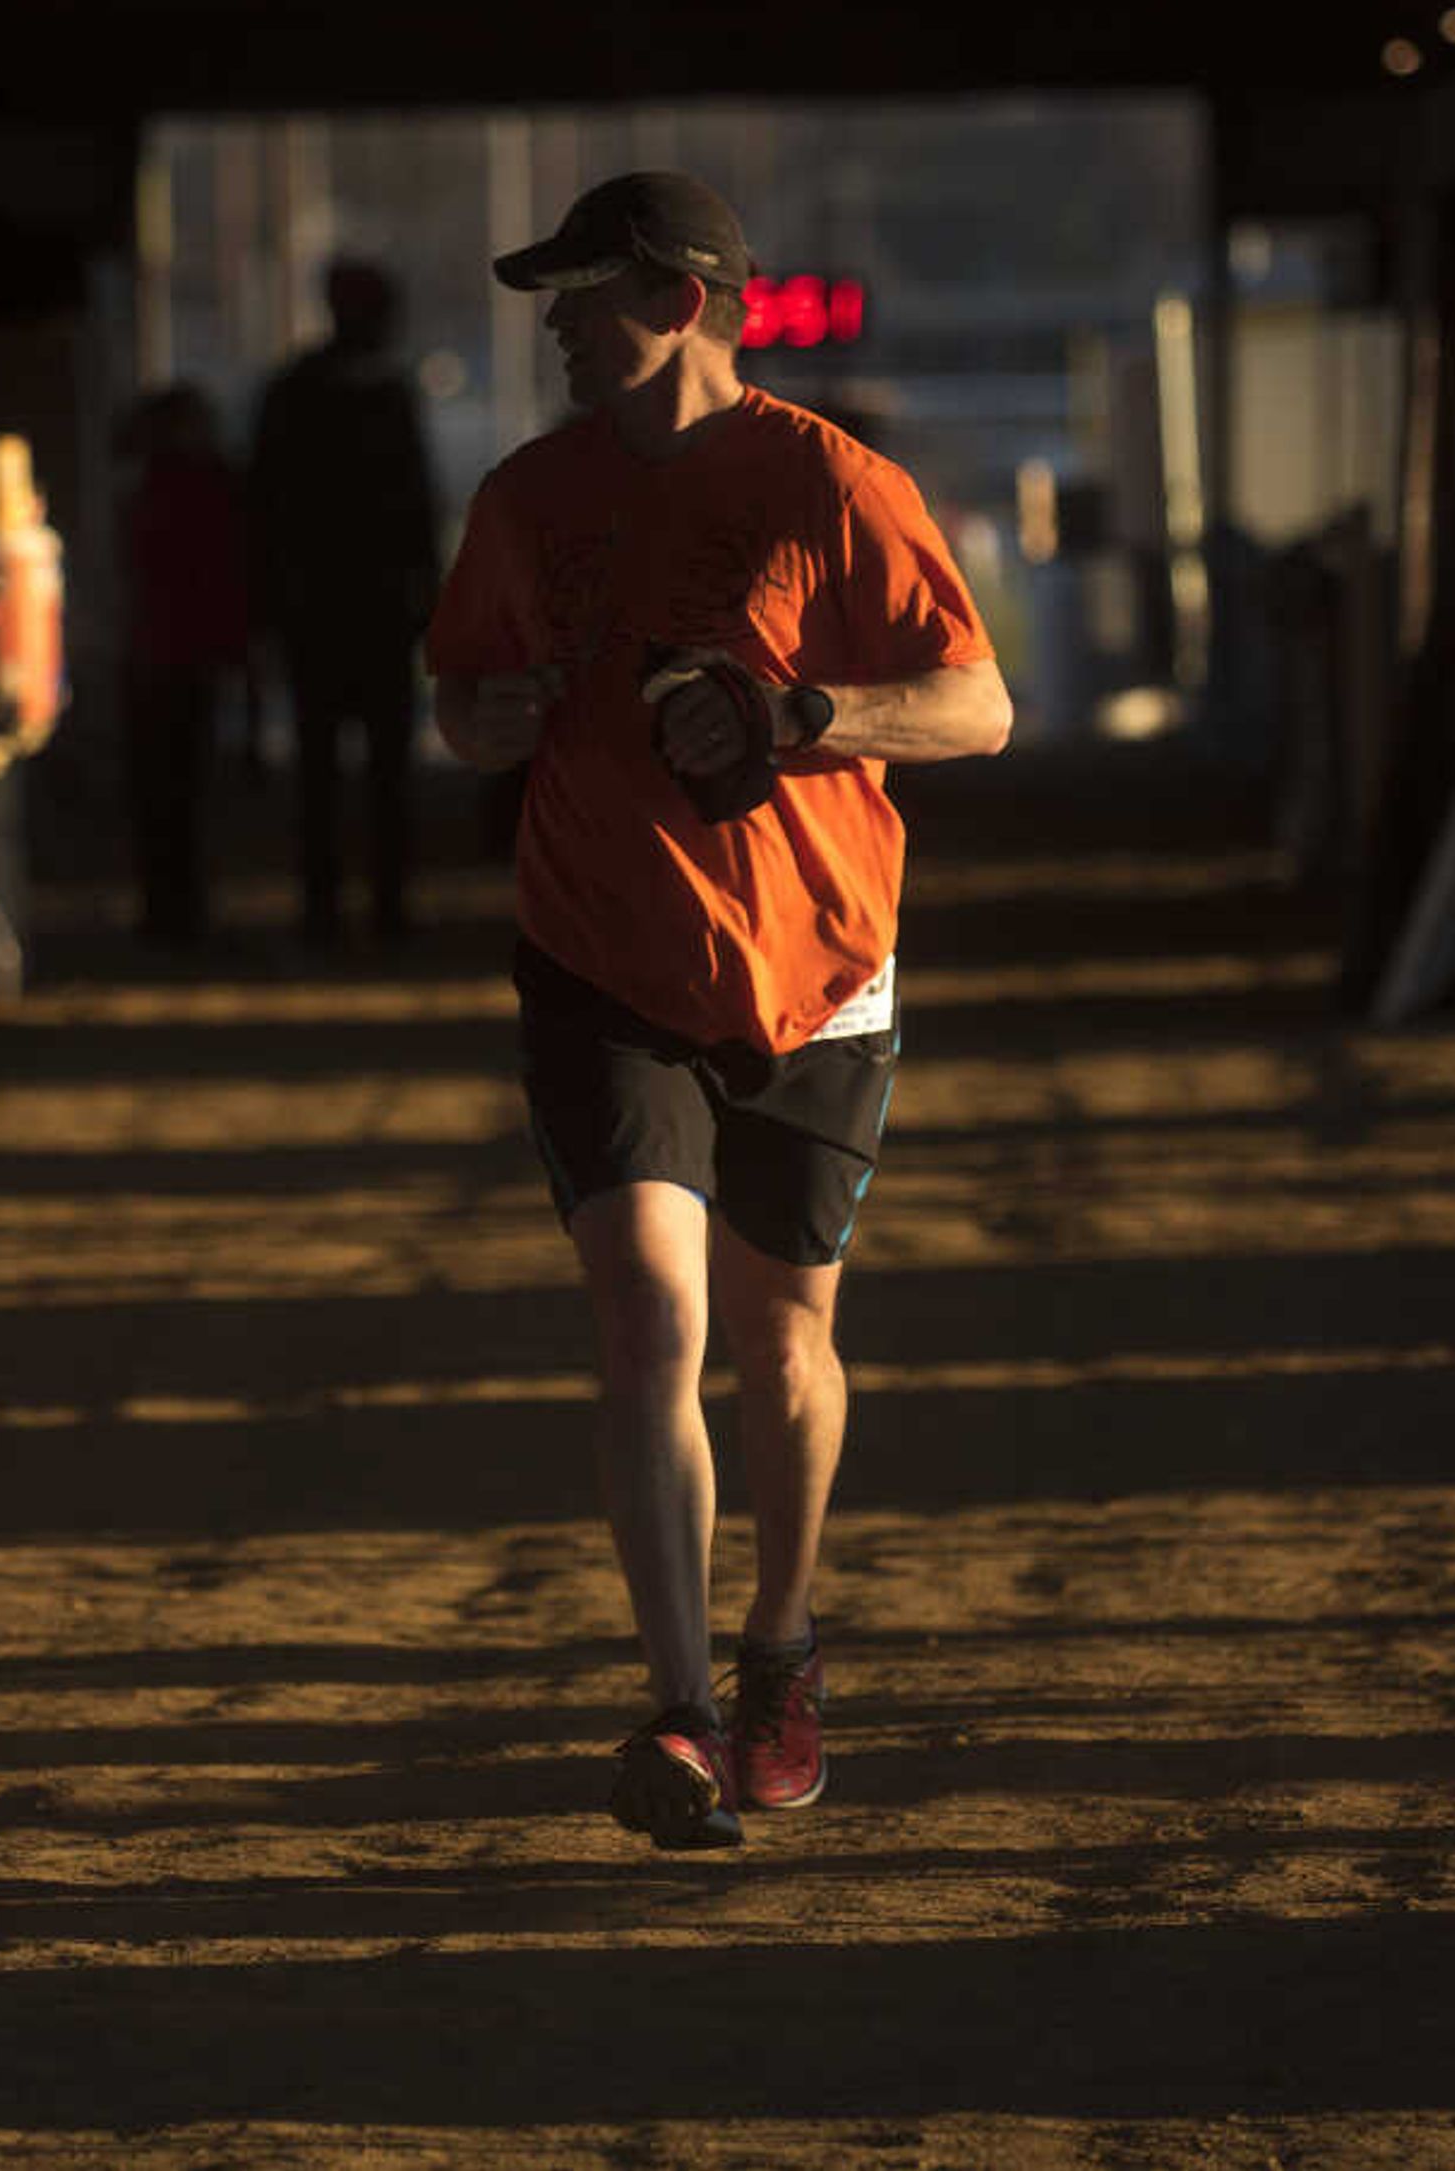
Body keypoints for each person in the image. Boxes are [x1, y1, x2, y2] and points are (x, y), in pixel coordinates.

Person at [426, 171, 1011, 1852]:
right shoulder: (526, 497)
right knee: (648, 1320)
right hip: (600, 960)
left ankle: (781, 1644)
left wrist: (806, 711)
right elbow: (460, 705)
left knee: (784, 1339)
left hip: (818, 968)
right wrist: (501, 714)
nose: (552, 325)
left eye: (581, 295)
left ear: (684, 299)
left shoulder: (832, 482)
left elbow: (978, 706)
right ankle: (679, 1709)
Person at [249, 257, 438, 946]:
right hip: (376, 615)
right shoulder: (389, 395)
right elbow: (417, 511)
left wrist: (269, 607)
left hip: (316, 617)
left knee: (322, 777)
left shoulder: (292, 393)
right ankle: (385, 911)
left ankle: (326, 913)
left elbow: (263, 510)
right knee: (386, 775)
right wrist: (429, 603)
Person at [114, 385, 253, 948]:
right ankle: (180, 910)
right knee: (180, 794)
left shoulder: (153, 485)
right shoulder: (204, 484)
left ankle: (171, 910)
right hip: (180, 653)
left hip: (163, 653)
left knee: (166, 795)